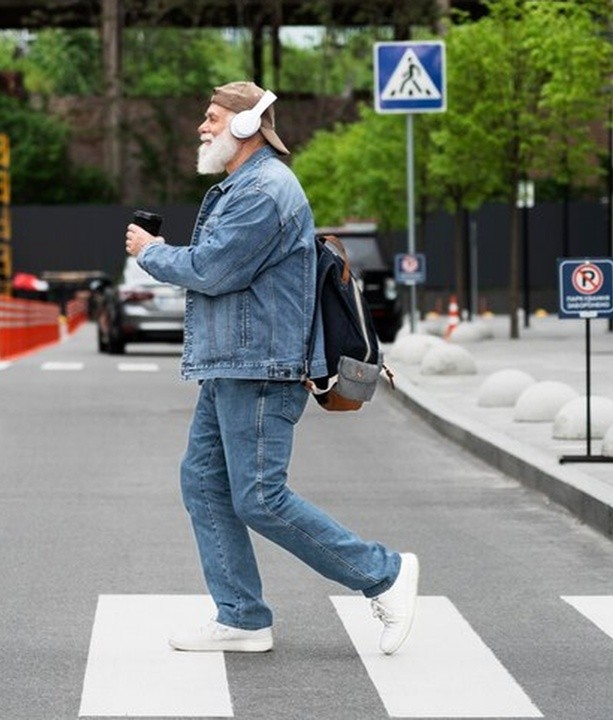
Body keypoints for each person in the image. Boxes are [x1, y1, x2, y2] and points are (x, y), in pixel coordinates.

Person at [125, 81, 419, 656]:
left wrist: (150, 252)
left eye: (212, 118)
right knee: (203, 482)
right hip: (234, 364)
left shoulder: (264, 190)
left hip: (261, 366)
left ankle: (383, 574)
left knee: (259, 496)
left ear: (244, 126)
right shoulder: (243, 186)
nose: (202, 127)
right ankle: (241, 617)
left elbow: (213, 269)